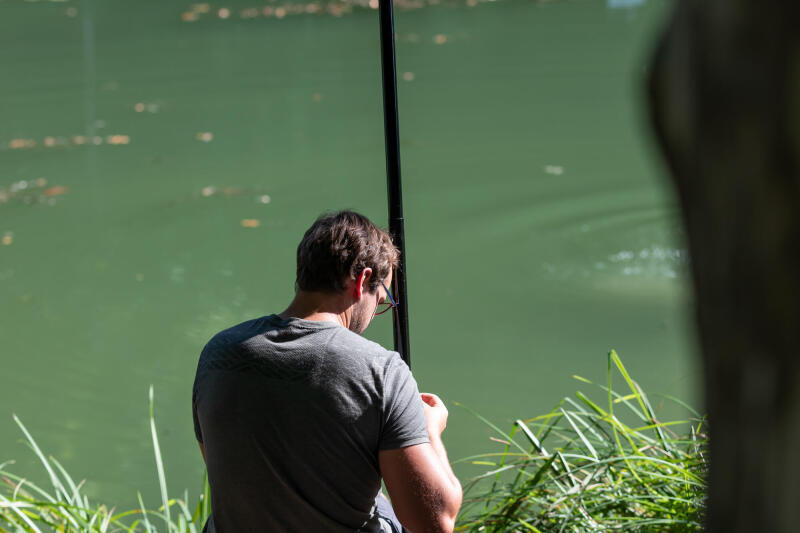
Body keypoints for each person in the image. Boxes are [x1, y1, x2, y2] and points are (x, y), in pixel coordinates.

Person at [192, 210, 462, 532]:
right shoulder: (382, 371)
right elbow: (436, 523)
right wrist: (429, 430)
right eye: (383, 298)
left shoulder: (218, 353)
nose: (377, 312)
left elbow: (224, 468)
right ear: (362, 281)